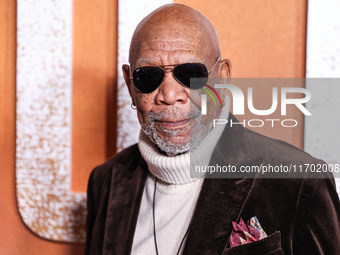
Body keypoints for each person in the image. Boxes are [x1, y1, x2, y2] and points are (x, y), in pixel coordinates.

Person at [84, 4, 340, 255]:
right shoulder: (105, 181)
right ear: (130, 85)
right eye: (148, 76)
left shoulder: (300, 180)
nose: (170, 95)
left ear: (222, 77)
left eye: (191, 74)